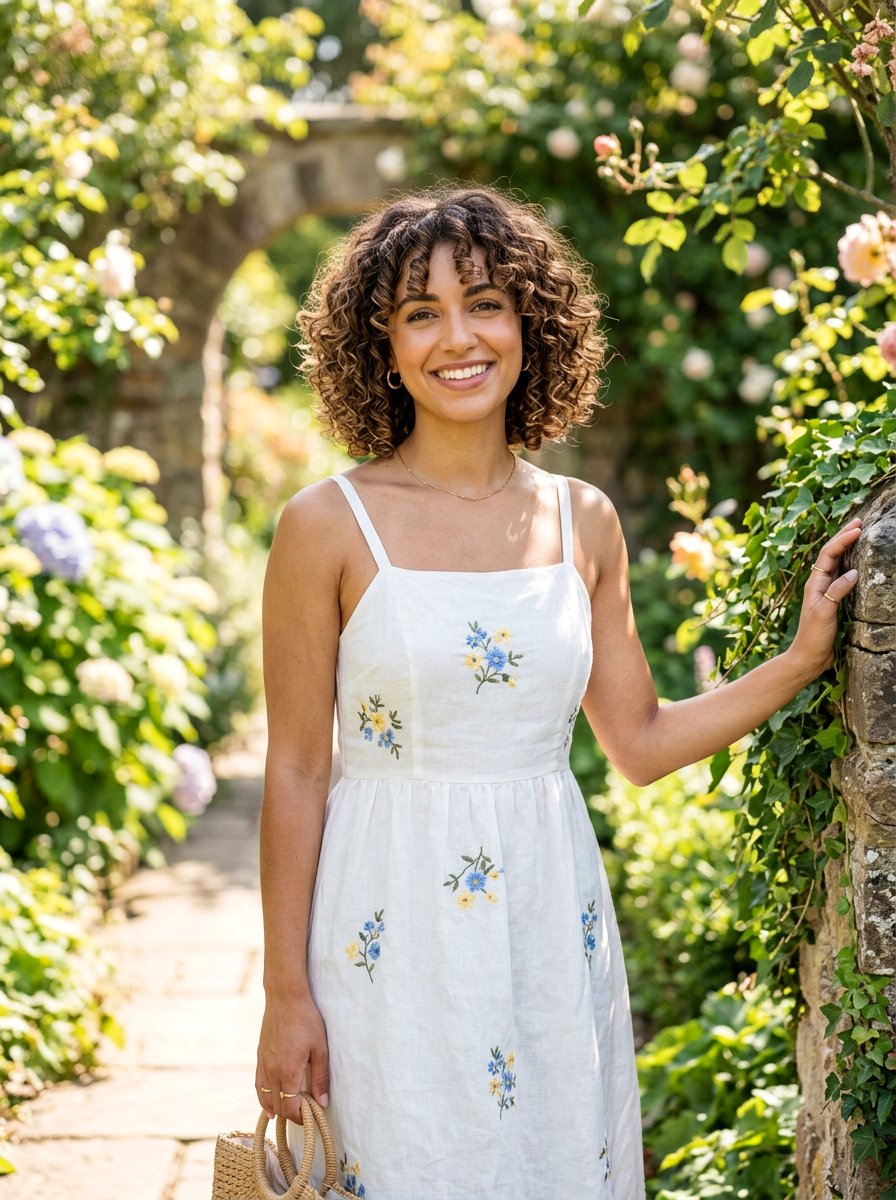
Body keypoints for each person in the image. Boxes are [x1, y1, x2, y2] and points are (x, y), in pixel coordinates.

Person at [254, 186, 860, 1200]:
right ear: (383, 347)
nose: (458, 337)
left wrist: (798, 660)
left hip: (543, 923)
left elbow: (638, 741)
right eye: (420, 313)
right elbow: (297, 765)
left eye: (484, 303)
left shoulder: (582, 522)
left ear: (529, 321)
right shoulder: (324, 525)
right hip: (383, 926)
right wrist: (284, 995)